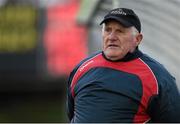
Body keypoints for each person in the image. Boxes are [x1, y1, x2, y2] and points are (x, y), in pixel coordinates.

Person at [66, 8, 180, 123]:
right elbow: (71, 113)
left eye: (120, 31)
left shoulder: (158, 77)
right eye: (108, 30)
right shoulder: (82, 68)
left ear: (137, 39)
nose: (111, 37)